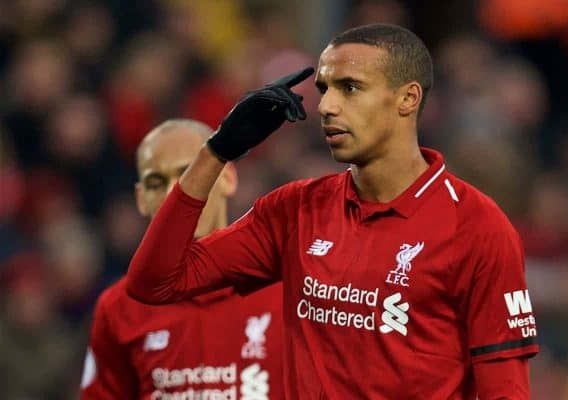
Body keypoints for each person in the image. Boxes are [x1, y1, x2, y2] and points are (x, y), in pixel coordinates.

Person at [127, 24, 539, 399]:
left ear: (407, 98)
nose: (326, 107)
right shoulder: (295, 210)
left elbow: (504, 389)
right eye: (324, 88)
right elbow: (155, 283)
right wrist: (216, 152)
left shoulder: (477, 227)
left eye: (350, 88)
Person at [80, 119, 284, 399]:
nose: (173, 193)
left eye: (189, 174)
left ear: (228, 179)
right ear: (140, 199)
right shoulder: (119, 309)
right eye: (156, 182)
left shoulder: (290, 290)